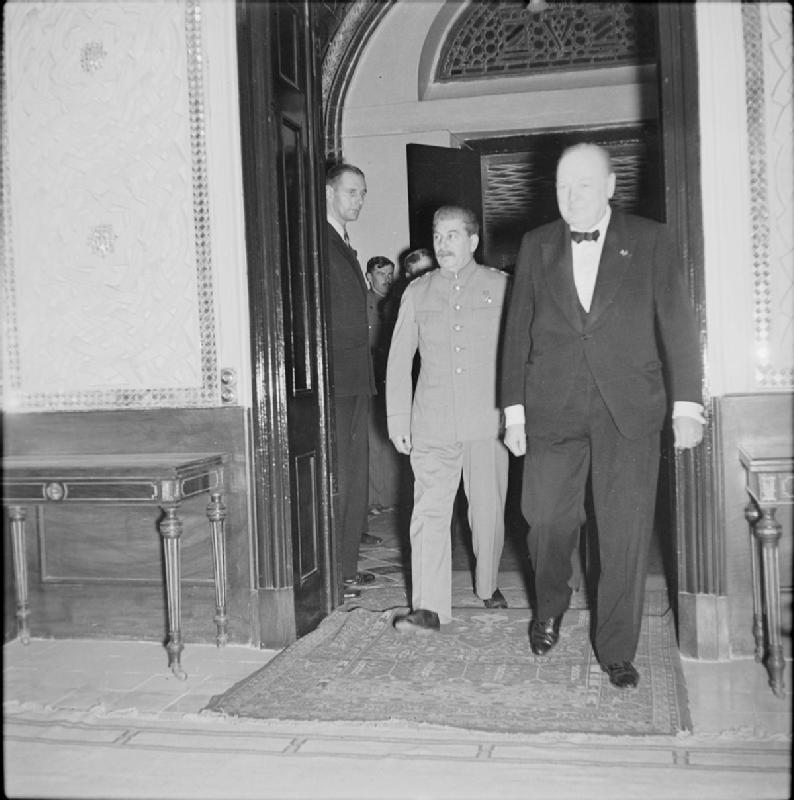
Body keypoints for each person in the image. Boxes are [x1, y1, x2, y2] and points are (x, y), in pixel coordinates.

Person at [499, 143, 704, 688]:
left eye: (583, 185)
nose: (570, 197)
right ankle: (549, 606)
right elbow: (516, 332)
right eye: (562, 186)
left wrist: (687, 404)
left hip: (629, 409)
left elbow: (677, 324)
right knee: (546, 520)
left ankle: (616, 648)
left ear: (611, 186)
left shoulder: (651, 239)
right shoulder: (537, 243)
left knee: (624, 533)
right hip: (552, 407)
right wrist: (513, 412)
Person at [387, 206, 510, 633]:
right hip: (432, 421)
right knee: (429, 512)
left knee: (488, 513)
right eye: (438, 236)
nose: (442, 244)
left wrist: (517, 415)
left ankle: (487, 583)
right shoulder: (417, 292)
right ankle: (429, 607)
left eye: (452, 235)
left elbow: (519, 355)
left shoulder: (501, 287)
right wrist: (398, 418)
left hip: (487, 420)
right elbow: (399, 359)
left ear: (473, 241)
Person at [325, 163, 377, 598]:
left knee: (355, 474)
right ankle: (335, 570)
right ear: (329, 193)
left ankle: (345, 566)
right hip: (337, 379)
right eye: (351, 192)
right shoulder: (320, 243)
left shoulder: (342, 243)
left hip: (357, 377)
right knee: (341, 473)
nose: (358, 200)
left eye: (362, 193)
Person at [364, 256, 399, 532]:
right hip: (372, 378)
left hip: (394, 379)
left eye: (389, 274)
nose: (386, 279)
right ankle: (376, 499)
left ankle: (391, 497)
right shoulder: (363, 304)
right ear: (369, 277)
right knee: (374, 441)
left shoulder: (397, 301)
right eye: (380, 274)